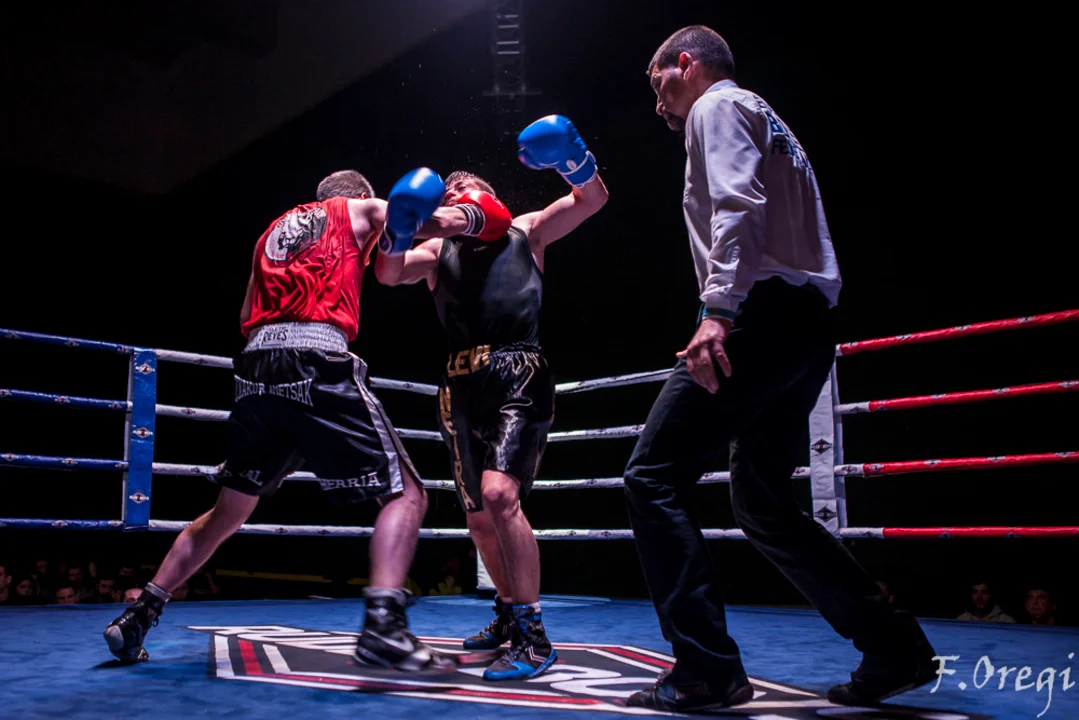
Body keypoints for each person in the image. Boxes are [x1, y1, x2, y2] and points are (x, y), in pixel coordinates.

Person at [623, 26, 938, 712]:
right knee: (762, 502)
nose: (658, 103)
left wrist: (718, 310)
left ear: (685, 63)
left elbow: (738, 206)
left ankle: (706, 669)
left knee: (652, 476)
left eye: (657, 82)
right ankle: (895, 648)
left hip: (759, 315)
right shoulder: (767, 116)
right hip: (805, 322)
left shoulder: (715, 107)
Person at [103, 167, 476, 672]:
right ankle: (384, 629)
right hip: (314, 358)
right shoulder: (358, 208)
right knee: (407, 495)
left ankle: (139, 614)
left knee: (228, 511)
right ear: (357, 196)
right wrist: (476, 216)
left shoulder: (271, 234)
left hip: (256, 369)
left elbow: (245, 315)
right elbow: (415, 216)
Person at [375, 115, 609, 680]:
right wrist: (400, 228)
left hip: (518, 370)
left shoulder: (526, 230)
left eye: (461, 190)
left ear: (486, 198)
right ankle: (507, 614)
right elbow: (388, 274)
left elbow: (593, 199)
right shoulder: (438, 252)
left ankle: (534, 635)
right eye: (445, 195)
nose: (452, 198)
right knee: (479, 519)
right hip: (459, 386)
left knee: (500, 495)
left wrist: (571, 161)